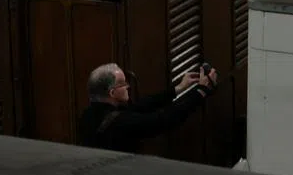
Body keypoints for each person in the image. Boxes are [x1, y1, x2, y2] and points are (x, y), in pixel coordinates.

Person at [76, 62, 217, 154]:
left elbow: (140, 106)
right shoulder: (121, 122)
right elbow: (164, 120)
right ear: (112, 93)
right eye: (123, 83)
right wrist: (201, 91)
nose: (128, 86)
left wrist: (177, 89)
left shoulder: (88, 114)